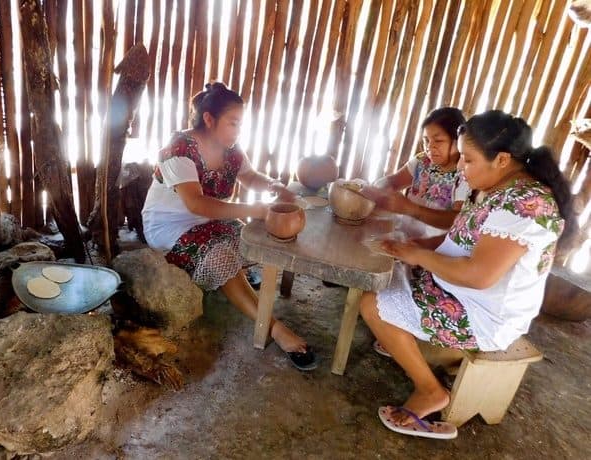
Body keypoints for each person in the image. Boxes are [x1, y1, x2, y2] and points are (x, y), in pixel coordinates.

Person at [359, 110, 576, 439]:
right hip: (458, 289)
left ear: (502, 159)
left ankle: (431, 391)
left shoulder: (524, 205)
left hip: (484, 313)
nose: (461, 167)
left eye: (468, 160)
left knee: (372, 303)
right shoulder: (502, 188)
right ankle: (403, 338)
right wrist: (420, 245)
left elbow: (478, 275)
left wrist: (418, 254)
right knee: (384, 271)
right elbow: (463, 237)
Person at [141, 82, 317, 371]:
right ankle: (275, 329)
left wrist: (274, 186)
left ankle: (240, 287)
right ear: (209, 120)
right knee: (221, 257)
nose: (238, 131)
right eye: (233, 123)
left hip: (211, 219)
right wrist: (255, 210)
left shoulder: (230, 148)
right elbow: (196, 204)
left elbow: (249, 176)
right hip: (171, 227)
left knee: (251, 242)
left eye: (240, 124)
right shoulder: (178, 150)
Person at [362, 107, 470, 237]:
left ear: (457, 142)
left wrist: (411, 209)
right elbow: (394, 181)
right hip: (404, 237)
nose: (429, 147)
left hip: (433, 250)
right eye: (426, 140)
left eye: (438, 140)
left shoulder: (464, 176)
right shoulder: (423, 161)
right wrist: (377, 189)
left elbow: (454, 219)